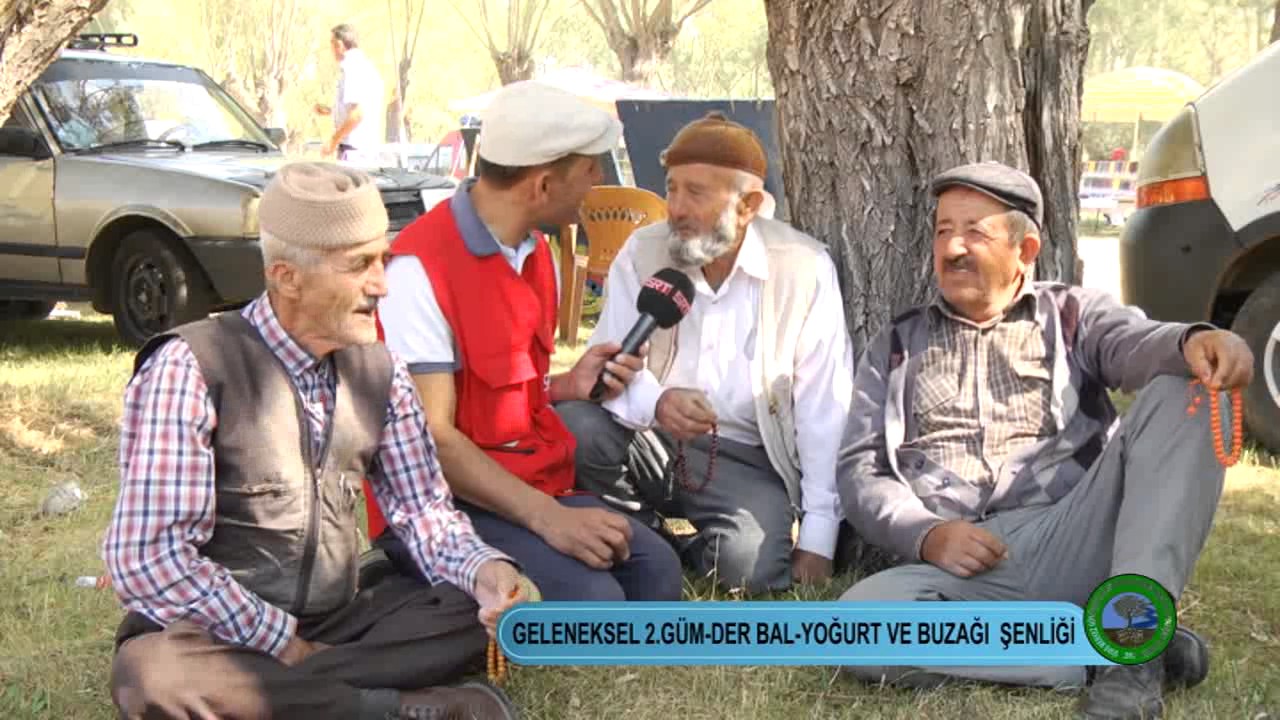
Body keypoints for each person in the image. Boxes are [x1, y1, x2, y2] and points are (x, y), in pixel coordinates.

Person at [102, 162, 527, 720]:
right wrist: (282, 641)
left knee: (465, 611)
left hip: (341, 617)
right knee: (153, 675)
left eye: (383, 260)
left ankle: (283, 697)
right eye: (360, 266)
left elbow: (424, 512)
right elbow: (148, 558)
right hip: (212, 632)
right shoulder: (192, 367)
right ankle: (395, 708)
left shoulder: (382, 371)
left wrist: (486, 573)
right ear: (286, 276)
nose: (382, 285)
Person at [835, 160, 1254, 719]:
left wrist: (1194, 340)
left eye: (974, 232)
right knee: (854, 626)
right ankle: (1110, 648)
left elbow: (1134, 342)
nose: (953, 248)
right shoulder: (897, 343)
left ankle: (1129, 655)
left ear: (1025, 250)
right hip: (965, 570)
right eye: (942, 231)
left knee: (1189, 391)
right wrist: (927, 533)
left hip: (1073, 532)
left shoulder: (1072, 314)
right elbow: (862, 468)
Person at [373, 80, 683, 603]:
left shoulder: (536, 251)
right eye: (591, 170)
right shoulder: (417, 271)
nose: (600, 182)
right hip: (445, 506)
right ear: (541, 186)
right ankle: (412, 579)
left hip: (530, 485)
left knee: (657, 575)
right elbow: (434, 441)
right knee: (595, 606)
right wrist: (550, 521)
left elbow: (507, 392)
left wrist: (566, 386)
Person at [557, 112, 858, 595]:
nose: (675, 208)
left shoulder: (803, 268)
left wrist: (819, 538)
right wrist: (657, 403)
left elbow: (826, 407)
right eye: (671, 189)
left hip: (745, 460)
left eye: (695, 193)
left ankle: (662, 552)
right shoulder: (643, 250)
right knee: (577, 427)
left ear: (748, 206)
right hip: (648, 439)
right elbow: (609, 364)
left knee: (750, 570)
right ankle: (642, 536)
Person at [314, 24, 383, 163]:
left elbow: (357, 114)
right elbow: (355, 107)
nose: (331, 50)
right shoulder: (366, 66)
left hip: (355, 151)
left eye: (332, 44)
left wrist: (333, 141)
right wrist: (331, 111)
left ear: (339, 44)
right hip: (364, 149)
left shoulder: (352, 68)